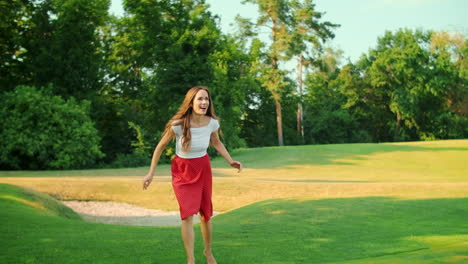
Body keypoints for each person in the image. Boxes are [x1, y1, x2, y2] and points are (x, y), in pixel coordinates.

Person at [142, 86, 242, 264]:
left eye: (206, 99)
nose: (204, 102)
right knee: (187, 214)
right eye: (200, 99)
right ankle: (190, 259)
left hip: (203, 168)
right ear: (191, 102)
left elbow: (217, 143)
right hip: (182, 170)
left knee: (205, 214)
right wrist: (151, 172)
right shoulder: (178, 125)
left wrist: (230, 161)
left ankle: (208, 252)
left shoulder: (212, 123)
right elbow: (160, 147)